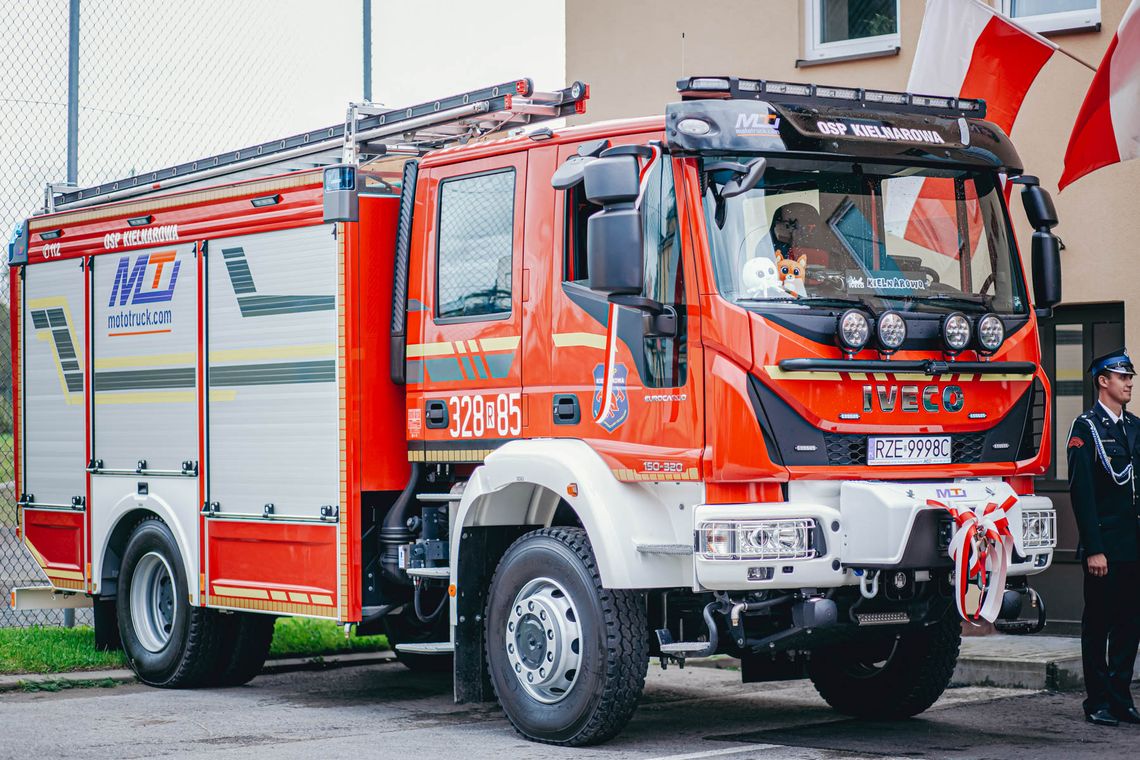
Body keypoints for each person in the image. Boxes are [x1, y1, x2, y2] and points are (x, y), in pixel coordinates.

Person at [1067, 348, 1140, 726]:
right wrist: (1094, 548)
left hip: (1133, 546)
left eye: (1130, 376)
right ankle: (1096, 700)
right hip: (1105, 547)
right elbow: (1083, 494)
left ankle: (1120, 696)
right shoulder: (1086, 427)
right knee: (1098, 624)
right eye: (1122, 376)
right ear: (1102, 381)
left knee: (1130, 624)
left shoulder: (1134, 427)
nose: (1129, 382)